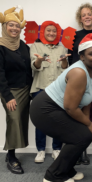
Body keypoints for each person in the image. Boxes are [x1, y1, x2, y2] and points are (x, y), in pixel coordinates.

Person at [30, 33, 92, 182]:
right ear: (82, 57)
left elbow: (86, 101)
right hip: (44, 110)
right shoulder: (79, 72)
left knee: (84, 134)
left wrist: (87, 124)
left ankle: (67, 169)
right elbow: (70, 107)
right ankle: (53, 175)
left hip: (58, 109)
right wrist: (89, 125)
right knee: (82, 135)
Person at [0, 6, 32, 174]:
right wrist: (7, 96)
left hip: (26, 89)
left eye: (17, 26)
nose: (14, 28)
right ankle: (11, 157)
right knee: (13, 119)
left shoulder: (23, 45)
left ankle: (12, 152)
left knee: (21, 119)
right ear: (4, 26)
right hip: (10, 91)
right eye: (10, 25)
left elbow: (29, 68)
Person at [68, 3, 92, 165]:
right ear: (80, 18)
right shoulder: (73, 36)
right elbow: (69, 61)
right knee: (74, 115)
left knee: (87, 116)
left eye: (89, 14)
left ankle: (83, 150)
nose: (87, 17)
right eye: (84, 15)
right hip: (76, 82)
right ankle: (74, 150)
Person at [30, 21, 71, 163]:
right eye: (48, 30)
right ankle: (40, 150)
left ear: (57, 33)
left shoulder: (62, 48)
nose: (51, 33)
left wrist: (65, 61)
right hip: (40, 88)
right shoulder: (36, 46)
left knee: (58, 120)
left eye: (54, 31)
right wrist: (39, 60)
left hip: (58, 90)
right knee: (40, 121)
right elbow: (34, 67)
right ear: (43, 32)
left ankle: (56, 149)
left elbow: (65, 69)